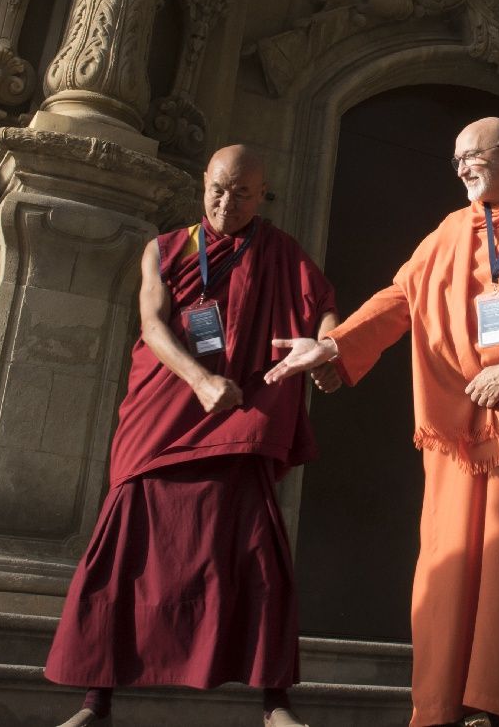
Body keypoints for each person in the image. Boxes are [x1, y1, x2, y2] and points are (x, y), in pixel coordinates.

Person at [267, 117, 499, 727]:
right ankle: (446, 708)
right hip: (463, 429)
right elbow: (400, 295)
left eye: (472, 155)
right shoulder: (452, 230)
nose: (461, 167)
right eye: (455, 158)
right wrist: (332, 347)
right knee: (451, 568)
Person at [44, 146, 340, 727]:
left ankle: (275, 703)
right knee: (126, 549)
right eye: (219, 190)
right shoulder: (164, 249)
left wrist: (327, 349)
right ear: (204, 183)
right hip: (168, 412)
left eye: (244, 194)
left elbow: (324, 306)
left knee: (256, 553)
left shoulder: (280, 253)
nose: (228, 204)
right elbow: (152, 324)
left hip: (240, 414)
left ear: (263, 195)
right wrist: (200, 379)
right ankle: (95, 702)